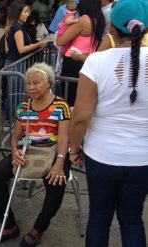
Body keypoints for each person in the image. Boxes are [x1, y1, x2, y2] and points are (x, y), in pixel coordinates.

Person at [69, 0, 148, 246]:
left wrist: (74, 149)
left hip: (101, 156)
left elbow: (81, 116)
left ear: (111, 28)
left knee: (99, 218)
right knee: (133, 220)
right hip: (142, 159)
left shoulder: (96, 62)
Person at [0, 63, 71, 247]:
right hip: (29, 150)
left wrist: (59, 162)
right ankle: (9, 226)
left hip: (55, 151)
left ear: (48, 83)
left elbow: (64, 138)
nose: (31, 87)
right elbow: (15, 136)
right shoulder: (23, 107)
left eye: (36, 83)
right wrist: (15, 150)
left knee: (56, 184)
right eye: (28, 83)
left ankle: (38, 229)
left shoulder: (60, 105)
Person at [3, 1, 48, 132]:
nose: (27, 14)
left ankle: (10, 122)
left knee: (12, 93)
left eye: (27, 11)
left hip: (13, 63)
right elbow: (21, 49)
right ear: (18, 13)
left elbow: (7, 49)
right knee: (16, 94)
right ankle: (15, 124)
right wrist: (39, 45)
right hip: (16, 64)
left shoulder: (12, 27)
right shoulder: (17, 28)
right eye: (25, 12)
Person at [56, 0, 105, 106]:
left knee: (69, 99)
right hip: (87, 60)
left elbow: (60, 41)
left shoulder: (84, 20)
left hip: (74, 61)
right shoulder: (99, 19)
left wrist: (64, 25)